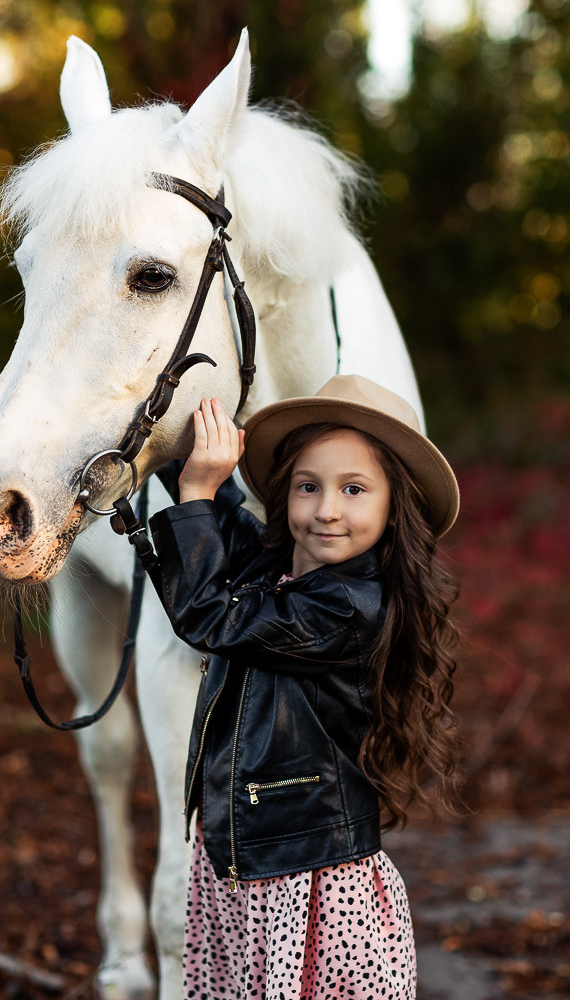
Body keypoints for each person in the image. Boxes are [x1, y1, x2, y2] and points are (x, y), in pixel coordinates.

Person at [148, 374, 461, 1000]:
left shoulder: (352, 606)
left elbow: (212, 616)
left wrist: (196, 490)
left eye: (353, 489)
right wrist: (179, 454)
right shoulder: (287, 569)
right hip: (250, 854)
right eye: (307, 487)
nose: (326, 510)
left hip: (304, 875)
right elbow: (231, 535)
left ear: (394, 507)